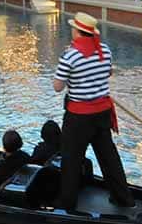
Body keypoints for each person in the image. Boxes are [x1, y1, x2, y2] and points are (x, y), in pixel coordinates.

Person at [52, 12, 134, 210]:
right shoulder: (105, 50)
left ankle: (67, 204)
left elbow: (57, 86)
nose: (71, 30)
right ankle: (123, 199)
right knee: (109, 157)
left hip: (79, 117)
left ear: (78, 31)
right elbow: (108, 72)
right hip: (102, 113)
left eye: (73, 28)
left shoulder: (69, 55)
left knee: (71, 160)